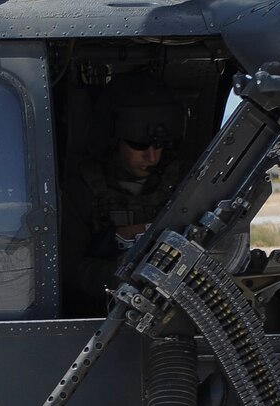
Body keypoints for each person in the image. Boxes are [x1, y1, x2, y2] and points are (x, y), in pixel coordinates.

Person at [60, 72, 191, 308]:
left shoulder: (182, 186)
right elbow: (67, 270)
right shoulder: (82, 190)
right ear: (112, 138)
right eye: (139, 145)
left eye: (159, 145)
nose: (151, 156)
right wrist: (128, 270)